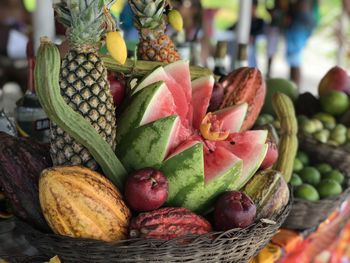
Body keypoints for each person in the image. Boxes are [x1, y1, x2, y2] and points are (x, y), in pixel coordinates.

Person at [283, 0, 317, 87]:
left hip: (300, 22)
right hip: (301, 21)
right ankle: (293, 86)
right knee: (294, 60)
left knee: (295, 59)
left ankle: (295, 87)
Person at [248, 0, 265, 68]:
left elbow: (260, 32)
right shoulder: (245, 19)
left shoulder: (260, 21)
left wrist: (252, 36)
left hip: (253, 44)